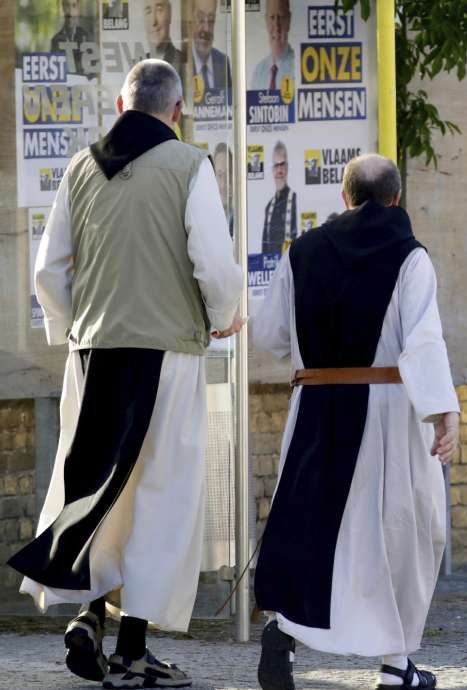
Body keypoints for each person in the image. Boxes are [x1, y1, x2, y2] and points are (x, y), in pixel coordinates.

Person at [7, 59, 244, 687]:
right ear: (178, 110)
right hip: (165, 354)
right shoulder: (191, 166)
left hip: (92, 354)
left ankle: (89, 613)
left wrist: (73, 329)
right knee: (161, 496)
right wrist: (225, 317)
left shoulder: (81, 168)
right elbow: (215, 269)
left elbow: (48, 271)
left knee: (97, 485)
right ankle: (132, 651)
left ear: (120, 101)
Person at [251, 154, 459, 690]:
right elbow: (423, 340)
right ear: (396, 199)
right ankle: (395, 667)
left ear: (345, 198)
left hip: (315, 408)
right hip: (388, 411)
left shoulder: (304, 251)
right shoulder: (411, 257)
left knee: (310, 528)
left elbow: (270, 336)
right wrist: (442, 410)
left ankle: (282, 631)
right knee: (404, 535)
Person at [261, 141, 298, 254]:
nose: (279, 170)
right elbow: (264, 247)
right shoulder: (269, 207)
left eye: (282, 164)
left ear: (287, 167)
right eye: (276, 165)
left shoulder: (296, 199)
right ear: (272, 170)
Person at [190, 0, 231, 100]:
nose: (207, 29)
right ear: (190, 20)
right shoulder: (183, 62)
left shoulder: (223, 62)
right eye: (200, 19)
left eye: (211, 20)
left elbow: (230, 103)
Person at [251, 0, 295, 91]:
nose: (276, 25)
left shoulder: (297, 66)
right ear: (266, 21)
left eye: (281, 17)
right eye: (272, 17)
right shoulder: (259, 72)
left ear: (289, 20)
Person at [51, 0, 98, 78]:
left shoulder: (87, 37)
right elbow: (55, 73)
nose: (70, 12)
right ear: (63, 8)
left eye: (74, 6)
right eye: (67, 6)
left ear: (78, 9)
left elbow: (94, 73)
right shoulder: (56, 40)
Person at [143, 0, 184, 72]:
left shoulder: (188, 65)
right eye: (148, 12)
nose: (153, 21)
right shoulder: (137, 69)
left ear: (170, 14)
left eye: (159, 10)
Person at [213, 142, 233, 236]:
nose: (223, 184)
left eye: (228, 174)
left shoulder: (243, 221)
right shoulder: (204, 222)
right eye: (220, 175)